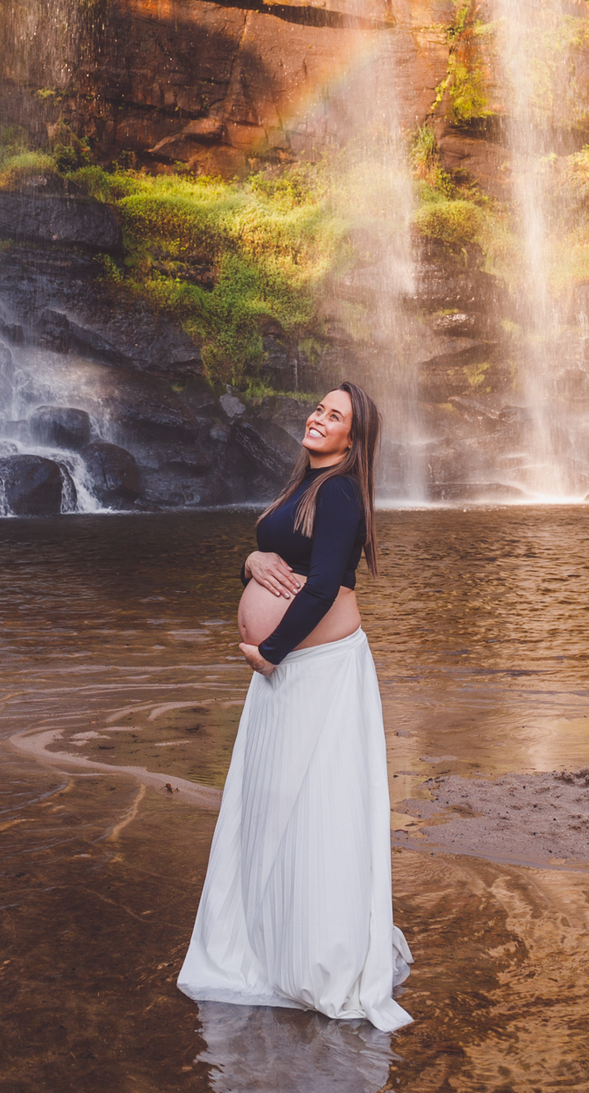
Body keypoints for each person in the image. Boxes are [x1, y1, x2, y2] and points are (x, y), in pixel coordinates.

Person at [177, 382, 412, 1032]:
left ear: (352, 440)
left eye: (334, 416)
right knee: (274, 805)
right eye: (318, 408)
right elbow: (280, 561)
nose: (318, 418)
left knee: (313, 808)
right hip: (288, 672)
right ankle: (271, 939)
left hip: (316, 671)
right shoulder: (305, 483)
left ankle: (315, 955)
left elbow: (325, 586)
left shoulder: (339, 492)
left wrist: (272, 649)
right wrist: (250, 561)